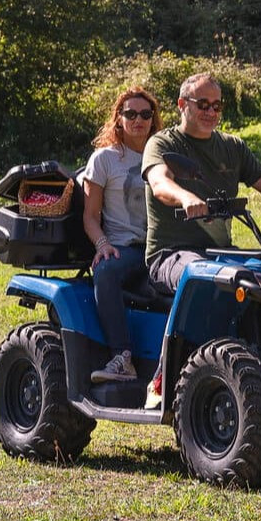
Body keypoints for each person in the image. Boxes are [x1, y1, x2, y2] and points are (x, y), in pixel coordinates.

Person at [143, 73, 261, 295]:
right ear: (182, 104)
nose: (211, 112)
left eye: (217, 106)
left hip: (221, 253)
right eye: (203, 105)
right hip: (172, 256)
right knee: (206, 278)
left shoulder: (232, 147)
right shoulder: (163, 143)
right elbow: (160, 183)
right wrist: (186, 198)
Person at [81, 87, 161, 385]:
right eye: (130, 114)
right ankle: (122, 357)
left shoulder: (165, 155)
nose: (138, 119)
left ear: (154, 120)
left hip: (162, 247)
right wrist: (102, 244)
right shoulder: (105, 160)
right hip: (125, 250)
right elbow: (90, 216)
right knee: (106, 271)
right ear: (118, 119)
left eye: (145, 114)